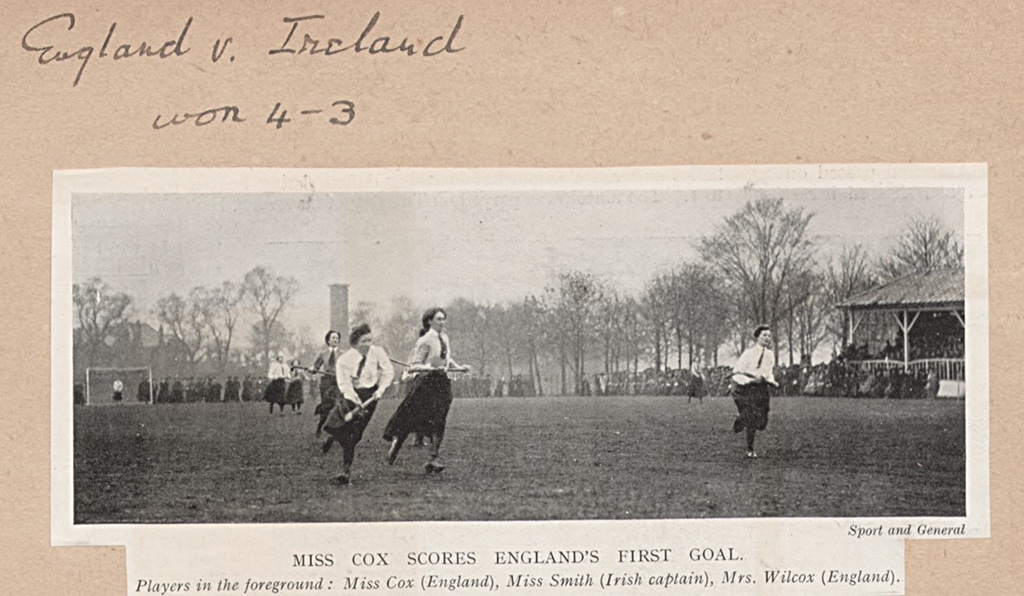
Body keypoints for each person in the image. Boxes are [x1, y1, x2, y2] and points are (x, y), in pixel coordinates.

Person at [382, 307, 467, 474]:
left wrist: (459, 367)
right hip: (426, 383)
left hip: (442, 382)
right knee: (411, 419)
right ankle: (396, 445)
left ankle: (432, 459)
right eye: (439, 319)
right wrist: (428, 368)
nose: (442, 322)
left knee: (440, 419)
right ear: (429, 321)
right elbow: (414, 366)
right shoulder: (425, 340)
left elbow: (446, 359)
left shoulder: (444, 338)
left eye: (443, 319)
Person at [321, 323, 395, 485]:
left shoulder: (378, 352)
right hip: (350, 395)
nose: (368, 344)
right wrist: (355, 400)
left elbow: (388, 372)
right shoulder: (344, 360)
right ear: (355, 343)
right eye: (364, 341)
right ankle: (345, 468)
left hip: (370, 395)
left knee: (355, 434)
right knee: (343, 429)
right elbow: (344, 384)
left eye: (370, 340)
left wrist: (380, 390)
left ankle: (342, 457)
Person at [731, 325, 778, 458]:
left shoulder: (770, 355)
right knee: (752, 419)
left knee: (762, 423)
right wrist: (750, 380)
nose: (767, 338)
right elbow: (737, 372)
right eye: (764, 335)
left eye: (769, 336)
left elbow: (769, 372)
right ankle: (750, 449)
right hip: (749, 389)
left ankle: (742, 419)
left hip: (762, 389)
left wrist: (772, 381)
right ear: (758, 337)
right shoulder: (748, 353)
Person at [311, 330, 343, 438]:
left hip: (338, 382)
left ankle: (335, 431)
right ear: (328, 340)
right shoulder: (323, 354)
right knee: (326, 406)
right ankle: (320, 426)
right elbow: (316, 367)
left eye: (337, 338)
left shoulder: (343, 354)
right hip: (326, 382)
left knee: (338, 405)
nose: (335, 340)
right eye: (333, 338)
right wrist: (312, 369)